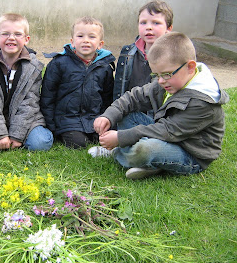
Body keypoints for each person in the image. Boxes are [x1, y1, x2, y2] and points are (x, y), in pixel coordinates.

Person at [89, 32, 229, 180]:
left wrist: (121, 138)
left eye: (166, 74)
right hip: (165, 135)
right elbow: (134, 97)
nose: (161, 81)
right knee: (124, 114)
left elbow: (167, 130)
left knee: (147, 149)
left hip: (189, 153)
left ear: (190, 67)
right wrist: (109, 115)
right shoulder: (169, 80)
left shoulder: (204, 102)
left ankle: (117, 152)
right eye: (156, 75)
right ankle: (151, 164)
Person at [0, 13, 53, 151]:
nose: (11, 38)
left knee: (40, 143)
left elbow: (30, 103)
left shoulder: (34, 67)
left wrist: (17, 135)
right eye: (5, 34)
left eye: (18, 34)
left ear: (26, 39)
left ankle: (17, 138)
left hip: (26, 120)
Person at [40, 16, 115, 149]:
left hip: (94, 120)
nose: (85, 41)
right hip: (67, 121)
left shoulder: (105, 67)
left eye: (91, 37)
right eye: (80, 36)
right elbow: (48, 97)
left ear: (100, 44)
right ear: (72, 41)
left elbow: (107, 98)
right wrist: (51, 126)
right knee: (79, 143)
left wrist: (104, 120)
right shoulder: (59, 64)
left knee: (102, 140)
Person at [113, 0, 173, 101]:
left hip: (155, 113)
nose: (148, 27)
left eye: (156, 23)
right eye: (143, 23)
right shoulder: (127, 52)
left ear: (169, 29)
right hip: (127, 107)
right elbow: (119, 87)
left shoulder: (173, 55)